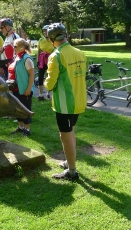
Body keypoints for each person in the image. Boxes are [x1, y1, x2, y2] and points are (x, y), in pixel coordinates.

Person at [44, 23, 87, 180]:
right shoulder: (79, 52)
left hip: (65, 104)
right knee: (71, 133)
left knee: (65, 136)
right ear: (65, 35)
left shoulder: (56, 56)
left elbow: (50, 82)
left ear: (51, 39)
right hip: (79, 100)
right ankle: (70, 162)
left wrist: (43, 84)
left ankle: (72, 171)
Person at [9, 38, 35, 136]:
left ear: (22, 47)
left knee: (25, 108)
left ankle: (27, 130)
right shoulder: (17, 57)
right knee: (17, 109)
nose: (13, 48)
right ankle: (20, 127)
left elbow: (32, 75)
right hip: (16, 89)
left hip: (24, 89)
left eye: (15, 46)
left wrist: (28, 89)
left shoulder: (27, 59)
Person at [37, 24, 54, 101]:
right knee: (40, 77)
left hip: (50, 60)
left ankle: (48, 93)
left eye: (46, 31)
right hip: (42, 60)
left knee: (49, 76)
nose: (45, 33)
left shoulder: (53, 40)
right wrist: (37, 61)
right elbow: (39, 51)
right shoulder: (41, 40)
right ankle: (40, 94)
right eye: (43, 31)